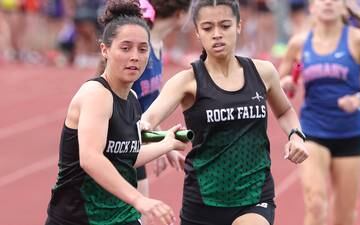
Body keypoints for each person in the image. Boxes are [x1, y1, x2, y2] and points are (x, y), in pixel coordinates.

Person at [141, 1, 309, 225]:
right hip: (203, 199)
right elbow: (146, 123)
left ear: (239, 26)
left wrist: (296, 135)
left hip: (254, 195)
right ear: (198, 32)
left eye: (225, 26)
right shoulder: (187, 81)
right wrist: (164, 141)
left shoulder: (263, 72)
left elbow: (285, 111)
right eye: (208, 28)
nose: (217, 34)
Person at [44, 1, 187, 225]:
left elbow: (125, 157)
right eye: (125, 47)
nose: (135, 57)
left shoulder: (131, 99)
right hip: (79, 219)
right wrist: (140, 200)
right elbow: (91, 159)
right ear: (105, 50)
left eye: (142, 49)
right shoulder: (97, 95)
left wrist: (166, 144)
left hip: (116, 215)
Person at [279, 0, 360, 225]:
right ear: (312, 7)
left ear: (344, 6)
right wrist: (286, 84)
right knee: (316, 203)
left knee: (344, 214)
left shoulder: (358, 40)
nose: (328, 2)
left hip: (349, 133)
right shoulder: (299, 43)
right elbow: (277, 86)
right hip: (312, 130)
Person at [132, 0, 191, 211]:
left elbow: (148, 104)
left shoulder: (158, 44)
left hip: (135, 141)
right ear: (180, 14)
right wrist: (158, 144)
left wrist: (161, 145)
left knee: (140, 215)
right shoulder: (140, 44)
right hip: (119, 141)